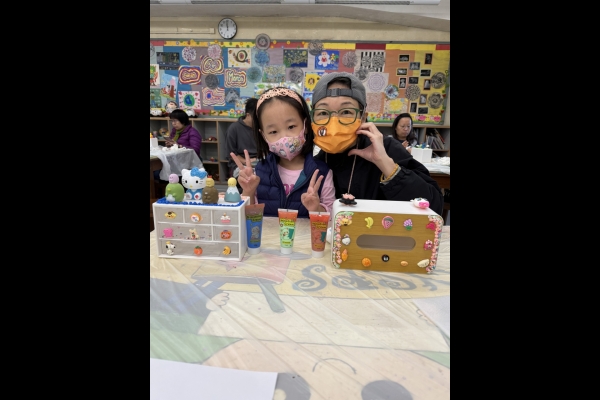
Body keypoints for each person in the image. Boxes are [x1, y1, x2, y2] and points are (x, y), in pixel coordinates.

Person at [310, 72, 444, 215]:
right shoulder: (314, 161)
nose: (334, 122)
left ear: (363, 117)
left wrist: (385, 163)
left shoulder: (388, 148)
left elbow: (433, 207)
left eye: (346, 111)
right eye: (323, 113)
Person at [231, 87, 336, 218]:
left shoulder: (322, 172)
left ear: (305, 125)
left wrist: (316, 208)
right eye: (273, 132)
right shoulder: (259, 172)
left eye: (291, 126)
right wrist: (248, 191)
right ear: (263, 135)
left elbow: (333, 216)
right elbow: (249, 216)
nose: (284, 137)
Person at [154, 109, 203, 182]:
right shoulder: (175, 131)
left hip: (188, 163)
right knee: (155, 172)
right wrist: (169, 145)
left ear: (183, 120)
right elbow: (174, 145)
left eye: (175, 121)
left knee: (158, 174)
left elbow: (195, 150)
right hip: (176, 161)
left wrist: (179, 145)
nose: (173, 123)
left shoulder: (192, 132)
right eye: (172, 121)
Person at [225, 98, 258, 179]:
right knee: (249, 177)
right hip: (240, 164)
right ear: (248, 115)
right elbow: (231, 154)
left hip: (258, 162)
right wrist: (247, 162)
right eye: (256, 118)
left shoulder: (261, 128)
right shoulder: (233, 129)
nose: (259, 121)